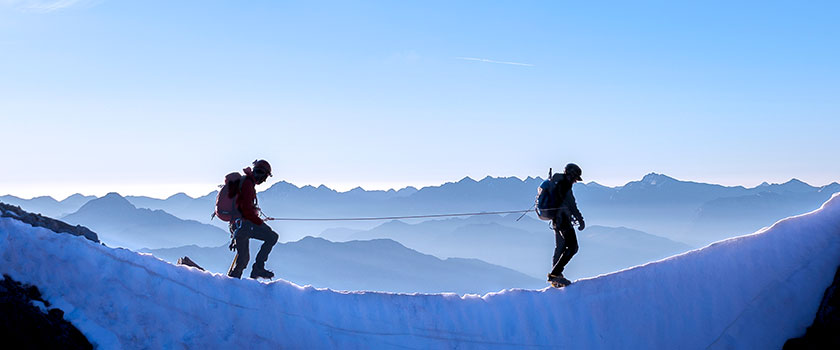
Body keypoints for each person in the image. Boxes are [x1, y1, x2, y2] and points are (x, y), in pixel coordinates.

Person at [227, 159, 279, 280]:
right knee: (271, 237)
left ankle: (236, 280)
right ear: (261, 173)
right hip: (244, 225)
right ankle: (255, 270)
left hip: (240, 224)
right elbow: (246, 210)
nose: (264, 180)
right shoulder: (247, 184)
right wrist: (258, 221)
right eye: (265, 176)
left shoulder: (246, 182)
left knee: (243, 259)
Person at [547, 163, 585, 286]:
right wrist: (580, 220)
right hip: (563, 220)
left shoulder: (557, 183)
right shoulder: (565, 186)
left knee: (561, 248)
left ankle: (556, 276)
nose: (575, 181)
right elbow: (572, 206)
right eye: (575, 178)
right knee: (573, 247)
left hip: (556, 220)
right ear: (571, 175)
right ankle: (555, 275)